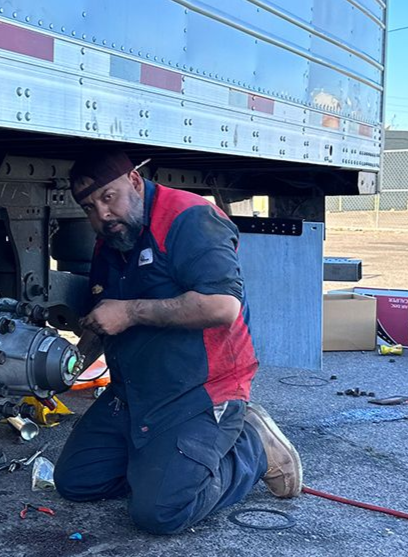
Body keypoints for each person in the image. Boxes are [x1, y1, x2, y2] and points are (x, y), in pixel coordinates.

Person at [54, 148, 302, 535]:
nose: (101, 214)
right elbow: (105, 318)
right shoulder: (114, 237)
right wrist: (60, 369)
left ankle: (250, 446)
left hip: (200, 391)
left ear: (135, 181)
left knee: (161, 513)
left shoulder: (191, 218)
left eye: (108, 197)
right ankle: (165, 466)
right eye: (89, 206)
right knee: (76, 483)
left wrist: (131, 312)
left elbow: (221, 307)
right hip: (133, 394)